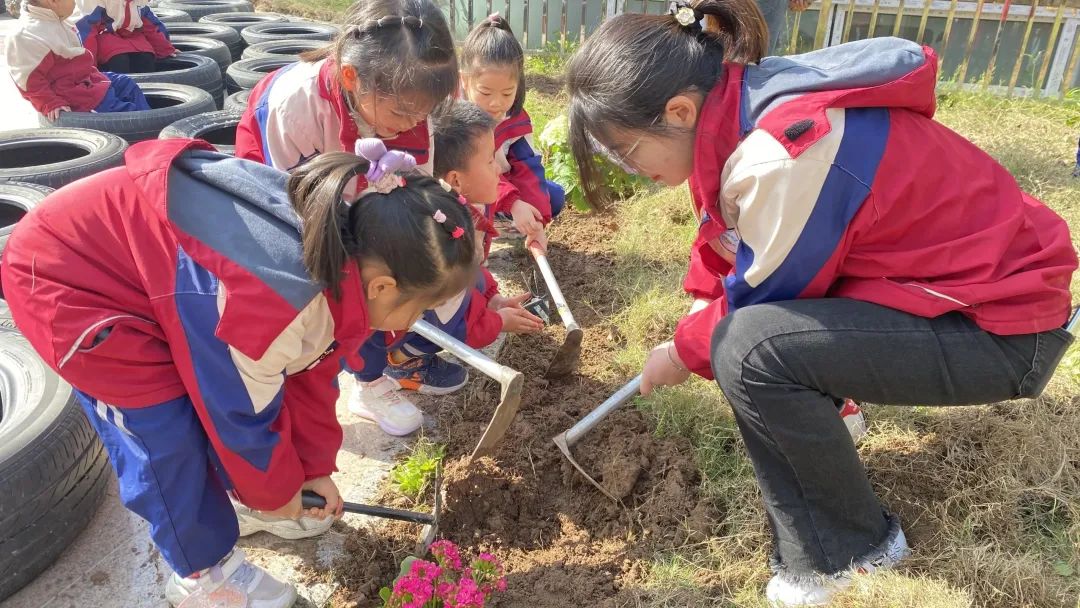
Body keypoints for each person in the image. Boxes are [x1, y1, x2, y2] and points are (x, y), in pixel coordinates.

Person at [563, 1, 1078, 605]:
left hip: (1003, 327)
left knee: (750, 351)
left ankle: (846, 551)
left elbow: (767, 293)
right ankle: (836, 414)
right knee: (749, 335)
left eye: (625, 151)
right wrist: (698, 311)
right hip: (962, 293)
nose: (627, 169)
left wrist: (682, 350)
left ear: (678, 110)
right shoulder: (739, 106)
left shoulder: (783, 152)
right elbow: (732, 238)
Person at [0, 138, 479, 608]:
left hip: (162, 276)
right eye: (420, 309)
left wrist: (310, 472)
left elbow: (311, 377)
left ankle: (245, 499)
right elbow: (236, 414)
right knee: (165, 436)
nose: (416, 323)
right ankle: (201, 575)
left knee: (239, 418)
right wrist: (274, 491)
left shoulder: (340, 267)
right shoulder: (278, 305)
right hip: (71, 279)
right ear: (382, 286)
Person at [459, 14, 564, 253]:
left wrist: (538, 223)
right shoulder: (457, 121)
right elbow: (474, 173)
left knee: (553, 197)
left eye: (507, 94)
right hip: (468, 186)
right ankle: (499, 211)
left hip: (502, 184)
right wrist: (514, 203)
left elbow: (527, 165)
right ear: (465, 82)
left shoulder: (514, 118)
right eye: (485, 93)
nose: (497, 103)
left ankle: (503, 213)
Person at [5, 0, 149, 122]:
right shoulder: (27, 35)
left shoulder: (58, 20)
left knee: (126, 83)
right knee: (128, 115)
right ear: (52, 1)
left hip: (88, 79)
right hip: (76, 95)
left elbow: (80, 58)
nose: (75, 2)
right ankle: (146, 131)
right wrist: (50, 103)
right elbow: (28, 81)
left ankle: (150, 119)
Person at [74, 0, 177, 73]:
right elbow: (87, 29)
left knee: (146, 57)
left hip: (132, 35)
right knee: (119, 60)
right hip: (104, 34)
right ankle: (118, 97)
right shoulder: (94, 3)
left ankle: (147, 97)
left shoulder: (141, 3)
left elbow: (150, 24)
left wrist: (166, 49)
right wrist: (88, 66)